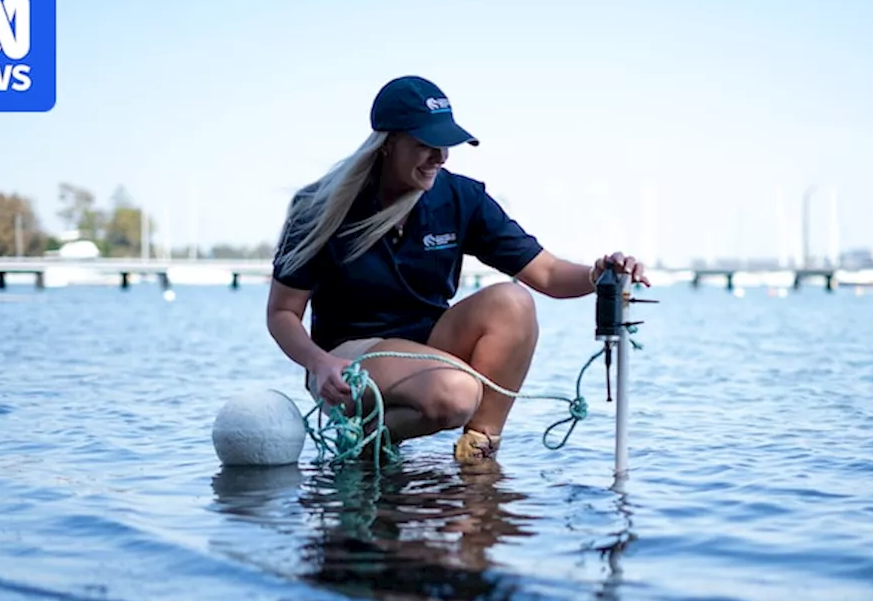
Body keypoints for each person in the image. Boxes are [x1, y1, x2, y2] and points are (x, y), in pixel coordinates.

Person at [267, 75, 649, 464]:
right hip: (347, 363)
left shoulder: (461, 197)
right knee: (457, 392)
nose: (441, 157)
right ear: (388, 143)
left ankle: (478, 456)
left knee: (513, 301)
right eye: (425, 145)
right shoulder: (319, 206)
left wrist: (600, 273)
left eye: (446, 145)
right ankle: (363, 441)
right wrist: (318, 362)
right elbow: (282, 313)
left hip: (427, 351)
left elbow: (547, 274)